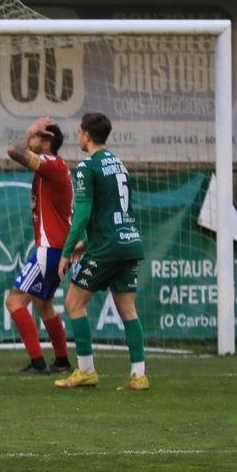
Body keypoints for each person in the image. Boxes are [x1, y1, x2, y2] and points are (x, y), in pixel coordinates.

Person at [54, 112, 149, 391]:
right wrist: (87, 243)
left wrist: (67, 250)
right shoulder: (119, 165)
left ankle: (85, 371)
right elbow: (114, 211)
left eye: (79, 133)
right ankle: (138, 376)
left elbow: (82, 213)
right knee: (128, 309)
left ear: (85, 135)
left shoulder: (86, 167)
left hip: (108, 246)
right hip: (129, 241)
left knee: (74, 303)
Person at [4, 117, 74, 376]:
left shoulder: (51, 164)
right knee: (44, 304)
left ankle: (37, 362)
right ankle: (63, 361)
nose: (29, 140)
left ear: (46, 142)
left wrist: (30, 130)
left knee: (14, 301)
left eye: (34, 137)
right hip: (58, 250)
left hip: (50, 250)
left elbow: (13, 151)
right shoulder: (53, 167)